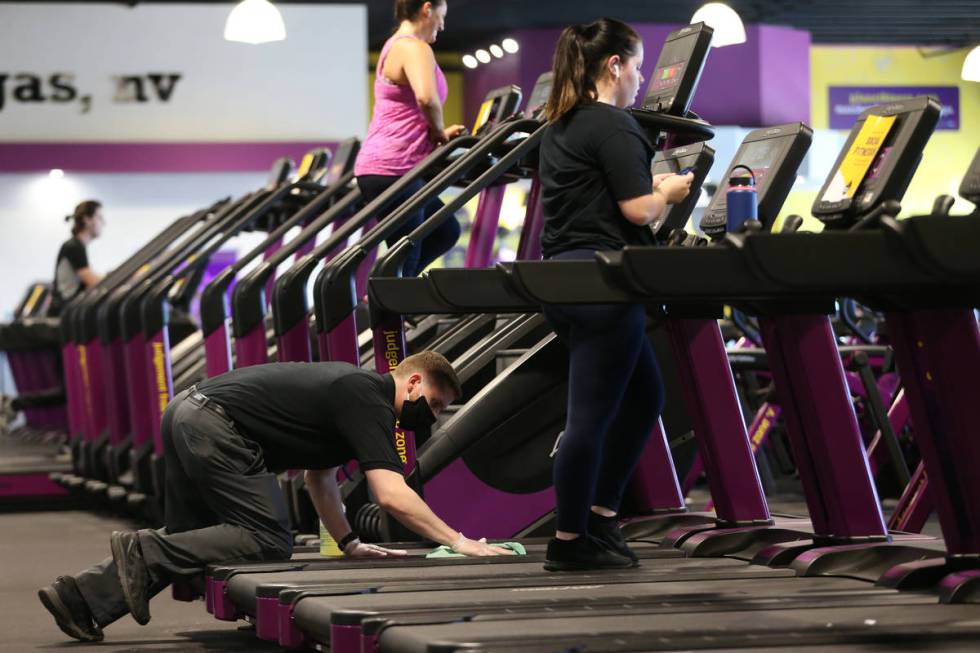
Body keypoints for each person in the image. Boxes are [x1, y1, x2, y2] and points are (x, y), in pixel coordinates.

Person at [38, 351, 510, 642]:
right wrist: (460, 540)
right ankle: (143, 548)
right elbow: (389, 493)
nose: (430, 415)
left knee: (199, 539)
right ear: (410, 382)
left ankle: (78, 600)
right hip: (213, 424)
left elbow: (318, 481)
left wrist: (348, 542)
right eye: (431, 403)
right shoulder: (367, 395)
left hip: (188, 412)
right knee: (266, 538)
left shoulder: (356, 402)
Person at [537, 19, 694, 572]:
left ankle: (601, 516)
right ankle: (569, 539)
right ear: (613, 67)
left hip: (563, 281)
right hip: (604, 284)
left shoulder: (559, 126)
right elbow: (637, 210)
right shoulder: (614, 125)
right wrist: (668, 191)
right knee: (588, 420)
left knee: (645, 395)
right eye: (637, 65)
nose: (641, 75)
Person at [354, 0, 464, 278]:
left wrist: (436, 130)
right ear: (427, 9)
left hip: (390, 166)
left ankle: (384, 299)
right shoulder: (414, 47)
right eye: (441, 16)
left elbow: (408, 110)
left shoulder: (394, 45)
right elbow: (427, 98)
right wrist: (438, 132)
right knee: (406, 257)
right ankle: (386, 313)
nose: (443, 24)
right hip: (395, 168)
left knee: (445, 231)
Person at [49, 200, 104, 316]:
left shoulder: (77, 246)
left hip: (70, 309)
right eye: (99, 217)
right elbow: (92, 281)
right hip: (65, 312)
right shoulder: (74, 247)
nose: (103, 222)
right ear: (87, 220)